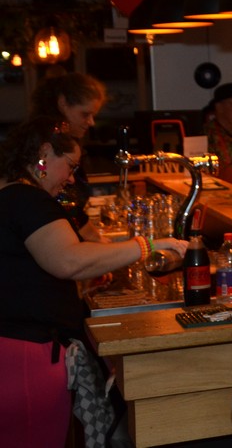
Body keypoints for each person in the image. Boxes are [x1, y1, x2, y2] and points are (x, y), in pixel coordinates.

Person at [0, 116, 187, 447]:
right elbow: (69, 261)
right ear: (44, 154)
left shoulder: (10, 195)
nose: (71, 178)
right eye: (70, 166)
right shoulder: (27, 200)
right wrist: (148, 245)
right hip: (25, 356)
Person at [29, 72, 106, 233]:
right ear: (63, 103)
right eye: (85, 114)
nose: (91, 122)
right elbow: (63, 202)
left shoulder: (53, 138)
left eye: (93, 115)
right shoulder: (49, 144)